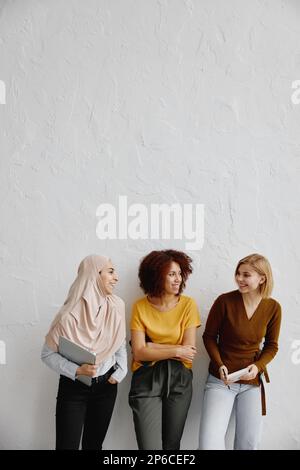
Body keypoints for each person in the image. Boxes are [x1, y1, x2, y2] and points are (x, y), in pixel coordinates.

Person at [41, 254, 127, 450]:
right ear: (94, 274)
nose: (116, 278)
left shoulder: (116, 306)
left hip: (106, 387)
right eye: (111, 272)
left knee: (94, 446)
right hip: (74, 388)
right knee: (66, 446)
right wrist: (77, 370)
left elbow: (118, 340)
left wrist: (119, 373)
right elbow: (46, 354)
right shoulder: (68, 316)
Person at [198, 253, 282, 450]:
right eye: (238, 273)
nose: (239, 279)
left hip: (252, 383)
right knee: (209, 444)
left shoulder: (273, 308)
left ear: (262, 278)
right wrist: (220, 365)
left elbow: (272, 345)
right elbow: (209, 337)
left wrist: (258, 366)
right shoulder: (224, 301)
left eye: (246, 275)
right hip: (221, 381)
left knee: (248, 444)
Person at [128, 249, 201, 450]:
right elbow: (139, 353)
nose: (178, 279)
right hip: (146, 378)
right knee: (148, 448)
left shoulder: (188, 305)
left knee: (172, 446)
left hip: (179, 378)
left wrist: (153, 346)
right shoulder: (140, 307)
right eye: (171, 274)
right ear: (156, 276)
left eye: (179, 273)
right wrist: (176, 351)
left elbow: (190, 350)